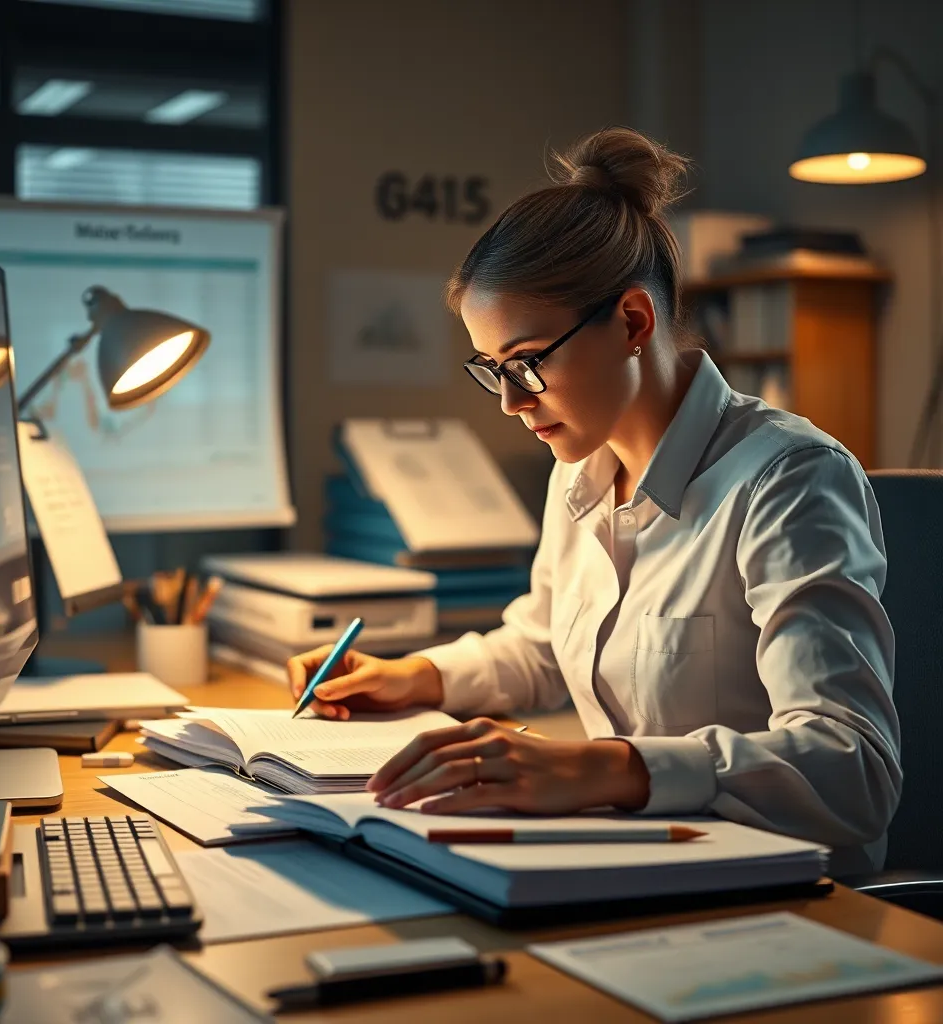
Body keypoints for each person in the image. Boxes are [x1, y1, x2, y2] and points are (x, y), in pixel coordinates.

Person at [288, 126, 901, 875]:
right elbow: (547, 646)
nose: (511, 403)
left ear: (633, 322)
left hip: (789, 899)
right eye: (492, 370)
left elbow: (853, 770)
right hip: (634, 870)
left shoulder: (787, 478)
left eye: (527, 364)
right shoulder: (578, 467)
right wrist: (415, 676)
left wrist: (600, 768)